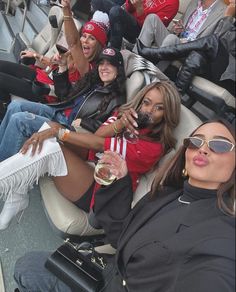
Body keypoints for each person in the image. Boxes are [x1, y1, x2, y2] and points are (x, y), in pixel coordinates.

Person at [14, 119, 235, 291]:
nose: (203, 149)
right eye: (196, 141)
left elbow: (217, 273)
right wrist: (120, 181)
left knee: (28, 270)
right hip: (107, 274)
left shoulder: (220, 233)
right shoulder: (168, 194)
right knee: (28, 265)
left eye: (220, 145)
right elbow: (122, 235)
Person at [0, 80, 181, 232]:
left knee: (50, 146)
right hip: (91, 160)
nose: (148, 110)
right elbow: (99, 136)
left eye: (159, 108)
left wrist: (60, 132)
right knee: (45, 130)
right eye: (147, 102)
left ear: (167, 115)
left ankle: (12, 190)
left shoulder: (153, 147)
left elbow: (99, 144)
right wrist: (120, 123)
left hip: (100, 190)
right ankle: (17, 193)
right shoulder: (125, 116)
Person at [0, 47, 126, 162]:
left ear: (118, 70)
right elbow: (64, 95)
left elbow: (103, 130)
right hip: (58, 111)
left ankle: (3, 166)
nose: (104, 67)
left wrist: (83, 122)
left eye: (110, 64)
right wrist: (62, 67)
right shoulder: (93, 82)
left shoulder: (117, 100)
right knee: (15, 105)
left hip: (68, 128)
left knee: (19, 120)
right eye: (102, 63)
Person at [0, 10, 109, 119]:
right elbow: (52, 65)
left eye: (92, 38)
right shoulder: (71, 54)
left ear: (99, 45)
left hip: (46, 93)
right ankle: (4, 103)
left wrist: (66, 11)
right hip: (41, 76)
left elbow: (74, 43)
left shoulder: (89, 68)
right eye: (84, 36)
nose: (85, 41)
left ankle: (4, 113)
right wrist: (36, 56)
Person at [136, 10, 236, 94]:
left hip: (229, 77)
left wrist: (228, 17)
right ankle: (175, 93)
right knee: (197, 55)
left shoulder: (225, 12)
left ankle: (155, 54)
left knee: (211, 41)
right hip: (208, 60)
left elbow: (220, 44)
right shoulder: (194, 5)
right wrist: (177, 31)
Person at [132, 0, 227, 71]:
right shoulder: (194, 3)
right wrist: (176, 30)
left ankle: (152, 73)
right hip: (177, 42)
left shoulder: (224, 12)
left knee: (171, 39)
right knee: (152, 18)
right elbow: (180, 28)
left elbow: (215, 43)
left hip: (193, 51)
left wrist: (187, 42)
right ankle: (133, 61)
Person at [90, 0, 179, 50]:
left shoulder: (172, 4)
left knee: (115, 11)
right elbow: (128, 8)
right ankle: (93, 36)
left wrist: (139, 8)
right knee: (98, 1)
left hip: (140, 32)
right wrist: (132, 3)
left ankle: (113, 52)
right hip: (130, 18)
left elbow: (150, 28)